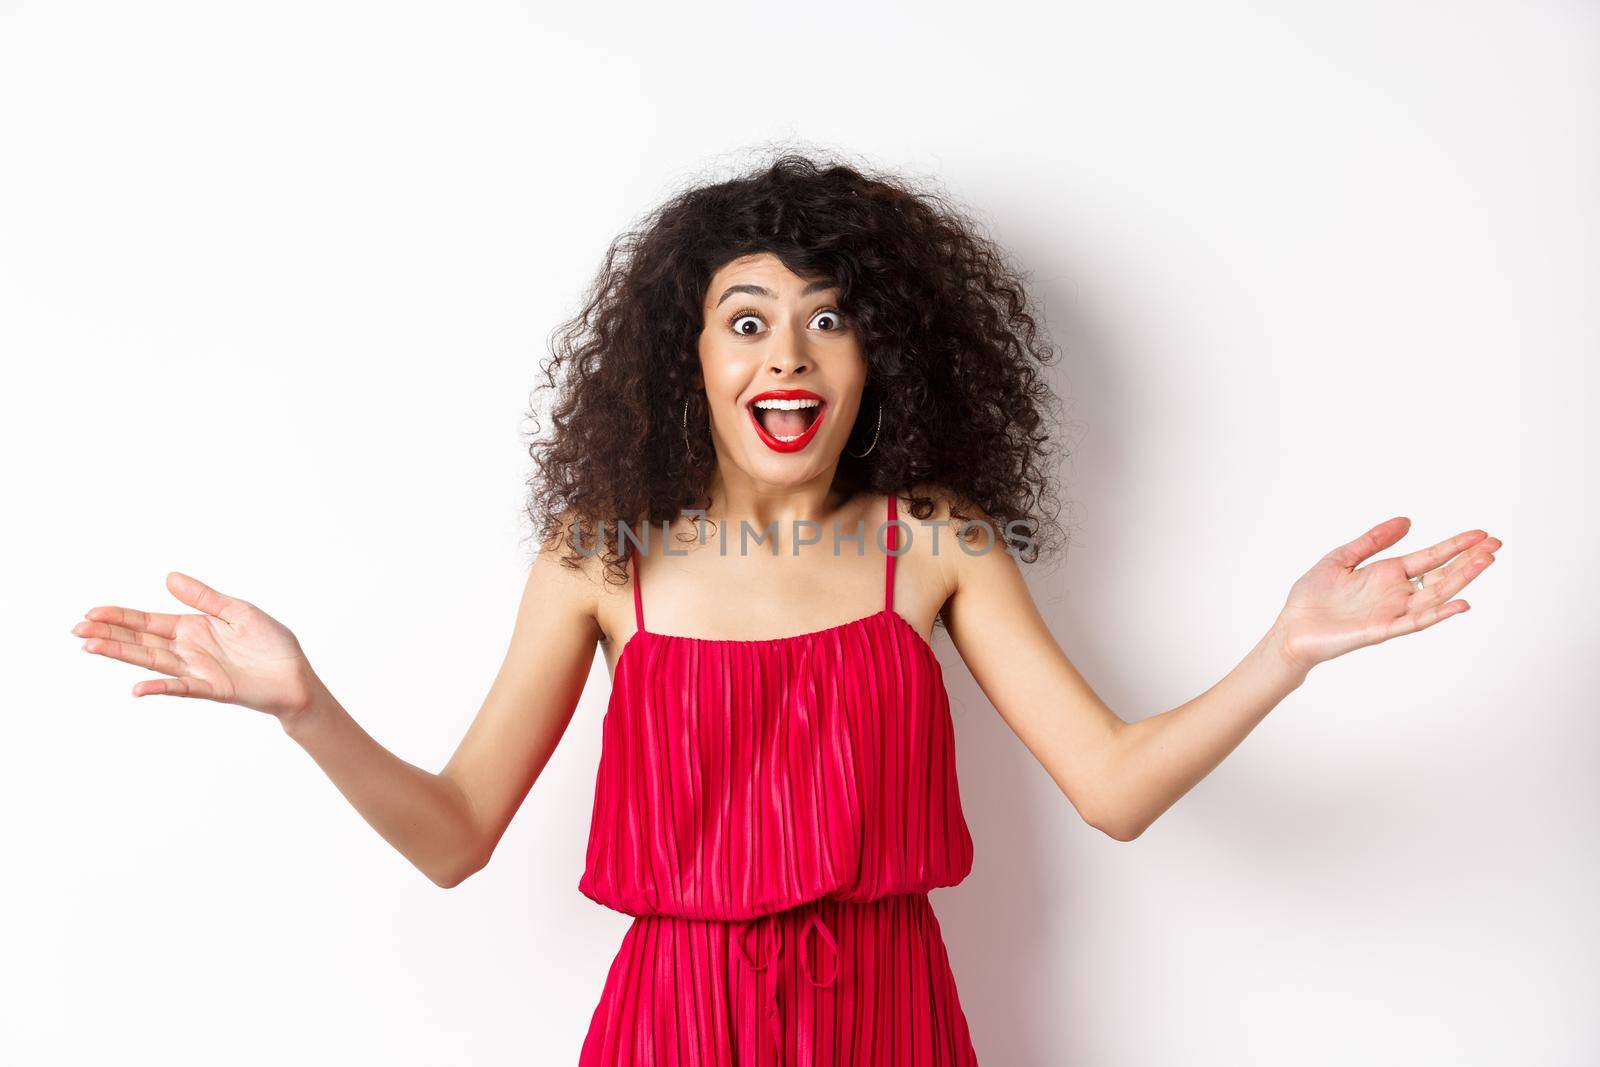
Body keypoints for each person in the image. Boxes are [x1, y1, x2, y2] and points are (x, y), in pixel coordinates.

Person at [71, 152, 1500, 1065]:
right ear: (686, 357)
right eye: (747, 318)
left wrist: (1286, 654)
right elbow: (454, 839)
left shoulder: (931, 543)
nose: (791, 351)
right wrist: (307, 711)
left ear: (885, 356)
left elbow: (1114, 789)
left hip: (889, 1016)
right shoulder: (600, 558)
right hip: (672, 1025)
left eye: (831, 315)